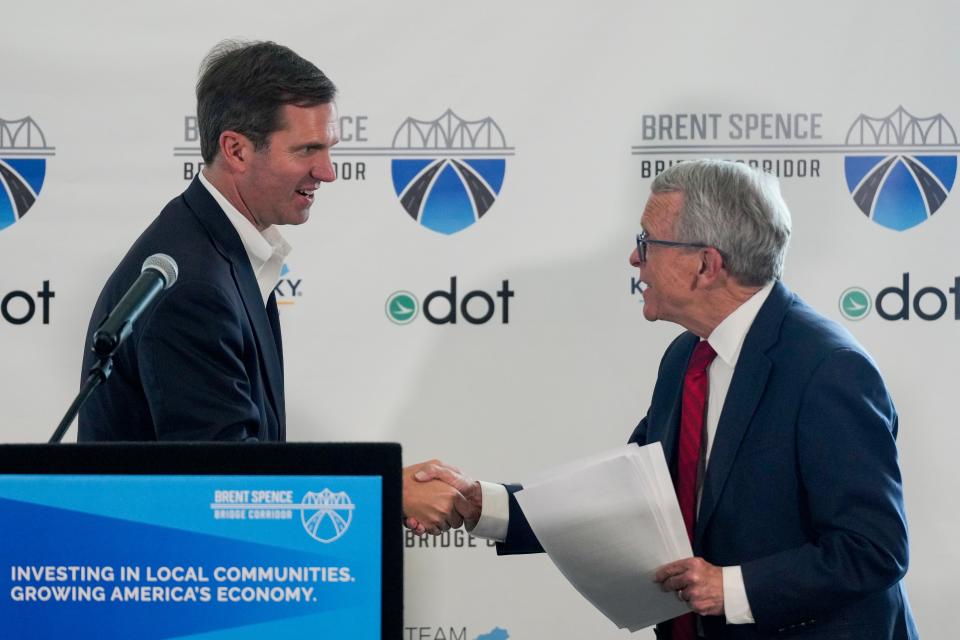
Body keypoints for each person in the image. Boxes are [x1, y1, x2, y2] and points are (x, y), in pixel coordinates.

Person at [410, 160, 918, 639]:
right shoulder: (687, 357)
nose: (635, 258)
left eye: (647, 242)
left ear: (705, 265)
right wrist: (485, 503)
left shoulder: (828, 369)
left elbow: (873, 551)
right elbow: (629, 499)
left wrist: (731, 587)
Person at [77, 40, 461, 531]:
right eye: (307, 150)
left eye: (328, 149)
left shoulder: (215, 248)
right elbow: (230, 483)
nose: (327, 172)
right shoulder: (192, 282)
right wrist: (386, 490)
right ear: (236, 149)